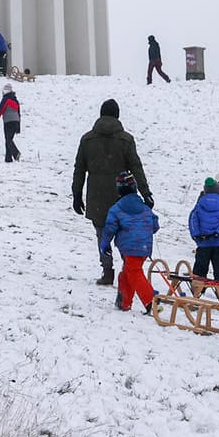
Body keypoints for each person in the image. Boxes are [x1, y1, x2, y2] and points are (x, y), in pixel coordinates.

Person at [71, 99, 152, 286]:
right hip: (122, 197)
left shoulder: (87, 139)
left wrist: (77, 194)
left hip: (96, 196)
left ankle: (107, 271)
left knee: (102, 235)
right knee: (125, 233)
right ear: (117, 115)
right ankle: (129, 269)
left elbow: (79, 169)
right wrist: (145, 192)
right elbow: (136, 167)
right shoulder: (125, 140)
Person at [100, 171, 160, 313]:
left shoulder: (117, 209)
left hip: (129, 247)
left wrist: (105, 243)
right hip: (144, 247)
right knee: (127, 273)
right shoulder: (145, 208)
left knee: (134, 272)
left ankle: (152, 301)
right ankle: (124, 302)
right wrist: (142, 233)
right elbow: (155, 224)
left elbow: (109, 228)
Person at [188, 178, 219, 300]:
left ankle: (197, 290)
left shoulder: (199, 205)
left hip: (203, 243)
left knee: (200, 267)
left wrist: (196, 235)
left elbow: (193, 219)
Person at [0, 85, 23, 162]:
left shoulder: (6, 99)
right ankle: (8, 158)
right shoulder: (15, 100)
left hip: (8, 121)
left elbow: (0, 110)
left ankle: (16, 153)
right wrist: (18, 126)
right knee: (9, 139)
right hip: (16, 121)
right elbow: (18, 113)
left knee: (8, 139)